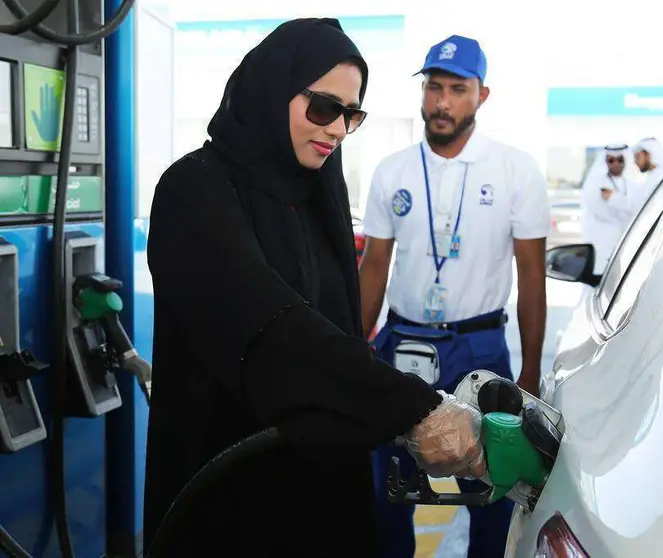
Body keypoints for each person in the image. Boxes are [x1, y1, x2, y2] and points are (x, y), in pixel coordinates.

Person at [142, 18, 488, 558]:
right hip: (228, 494)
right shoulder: (195, 191)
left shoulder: (317, 195)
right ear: (274, 89)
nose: (337, 129)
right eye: (324, 108)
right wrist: (413, 406)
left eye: (351, 115)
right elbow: (275, 330)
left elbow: (340, 332)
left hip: (319, 490)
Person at [358, 34, 551, 558]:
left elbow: (532, 273)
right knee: (389, 488)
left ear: (481, 96)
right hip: (401, 346)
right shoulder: (392, 170)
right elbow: (375, 263)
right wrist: (353, 351)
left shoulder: (515, 170)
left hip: (481, 349)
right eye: (434, 87)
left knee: (491, 489)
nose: (442, 102)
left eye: (457, 89)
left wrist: (529, 372)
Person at [580, 144, 636, 274]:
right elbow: (600, 211)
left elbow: (637, 208)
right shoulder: (596, 185)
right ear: (605, 162)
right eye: (611, 160)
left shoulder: (633, 185)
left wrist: (614, 198)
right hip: (602, 243)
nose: (615, 163)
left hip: (627, 243)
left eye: (620, 160)